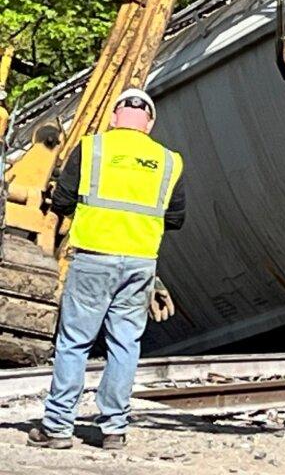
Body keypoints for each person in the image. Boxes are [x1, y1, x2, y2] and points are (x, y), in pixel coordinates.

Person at [29, 89, 185, 451]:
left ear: (114, 118)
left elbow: (63, 200)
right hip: (140, 263)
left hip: (93, 259)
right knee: (125, 344)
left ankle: (57, 428)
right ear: (150, 123)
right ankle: (114, 428)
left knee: (74, 342)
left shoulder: (91, 148)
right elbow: (176, 218)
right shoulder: (169, 160)